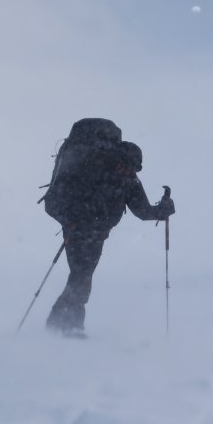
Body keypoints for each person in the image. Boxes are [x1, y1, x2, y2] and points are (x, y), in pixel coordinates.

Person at [42, 119, 175, 337]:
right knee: (81, 276)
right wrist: (71, 220)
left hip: (98, 234)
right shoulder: (89, 169)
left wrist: (163, 210)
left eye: (132, 170)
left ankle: (59, 322)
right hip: (76, 231)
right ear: (116, 160)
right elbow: (53, 202)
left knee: (81, 276)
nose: (127, 172)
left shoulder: (129, 180)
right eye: (125, 167)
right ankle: (69, 326)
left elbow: (142, 211)